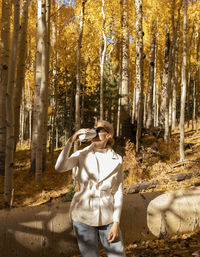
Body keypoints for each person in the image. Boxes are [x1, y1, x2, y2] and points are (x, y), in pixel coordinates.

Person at [55, 120, 125, 257]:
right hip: (83, 215)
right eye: (94, 128)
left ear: (108, 135)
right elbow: (59, 167)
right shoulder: (82, 154)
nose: (95, 131)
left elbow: (118, 192)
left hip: (108, 217)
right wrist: (70, 141)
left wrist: (116, 223)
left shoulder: (117, 159)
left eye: (100, 129)